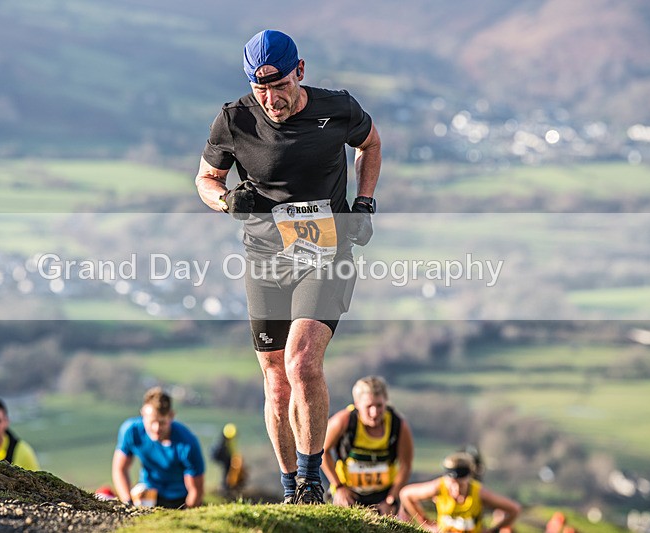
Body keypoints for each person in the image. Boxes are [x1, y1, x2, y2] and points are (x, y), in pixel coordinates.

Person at [195, 29, 382, 505]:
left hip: (325, 254)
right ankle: (290, 489)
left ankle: (311, 479)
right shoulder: (234, 119)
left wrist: (363, 204)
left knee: (301, 363)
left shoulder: (337, 109)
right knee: (276, 382)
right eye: (261, 89)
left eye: (279, 86)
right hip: (264, 259)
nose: (271, 98)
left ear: (300, 71)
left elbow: (371, 143)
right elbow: (206, 178)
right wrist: (224, 201)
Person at [321, 376, 414, 515]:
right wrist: (339, 487)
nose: (374, 413)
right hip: (348, 492)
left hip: (384, 495)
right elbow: (322, 451)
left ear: (386, 402)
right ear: (357, 404)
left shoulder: (398, 425)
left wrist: (391, 499)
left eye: (379, 406)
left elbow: (405, 464)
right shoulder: (343, 421)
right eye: (368, 406)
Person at [111, 387, 205, 509]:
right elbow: (120, 469)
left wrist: (186, 514)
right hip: (148, 492)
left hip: (179, 498)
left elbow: (196, 491)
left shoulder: (187, 443)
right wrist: (127, 502)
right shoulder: (131, 431)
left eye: (162, 422)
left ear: (171, 416)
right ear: (143, 414)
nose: (156, 428)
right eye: (152, 422)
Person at [399, 452, 521, 533]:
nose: (456, 489)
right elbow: (405, 494)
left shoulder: (479, 492)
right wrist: (425, 523)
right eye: (451, 484)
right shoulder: (438, 487)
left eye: (461, 485)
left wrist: (493, 530)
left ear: (469, 478)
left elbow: (514, 509)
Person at [210, 423, 247, 493]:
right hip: (221, 456)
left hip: (222, 456)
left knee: (227, 469)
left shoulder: (225, 440)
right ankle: (225, 487)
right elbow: (230, 450)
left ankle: (226, 486)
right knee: (226, 469)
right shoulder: (223, 444)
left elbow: (232, 450)